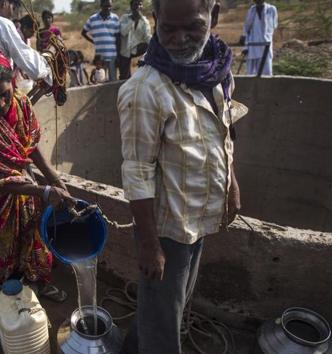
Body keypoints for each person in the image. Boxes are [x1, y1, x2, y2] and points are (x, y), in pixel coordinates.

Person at [117, 0, 241, 353]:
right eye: (168, 29)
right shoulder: (146, 90)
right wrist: (149, 245)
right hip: (166, 230)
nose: (180, 39)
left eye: (193, 28)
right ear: (155, 20)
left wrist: (231, 183)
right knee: (163, 320)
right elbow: (137, 172)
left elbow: (224, 130)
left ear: (213, 18)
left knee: (171, 304)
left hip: (198, 216)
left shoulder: (216, 70)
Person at [0, 49, 75, 354]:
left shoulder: (19, 102)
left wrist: (54, 179)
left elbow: (30, 146)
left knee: (28, 234)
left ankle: (37, 281)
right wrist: (43, 192)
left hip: (21, 187)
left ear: (12, 84)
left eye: (4, 95)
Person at [81, 0, 120, 81]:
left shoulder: (115, 18)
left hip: (112, 55)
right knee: (100, 80)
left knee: (113, 80)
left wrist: (118, 56)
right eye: (106, 6)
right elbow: (83, 32)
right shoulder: (92, 19)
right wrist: (93, 40)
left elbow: (118, 38)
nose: (108, 8)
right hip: (100, 56)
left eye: (110, 6)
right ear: (101, 6)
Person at [241, 0, 278, 76]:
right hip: (253, 46)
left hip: (266, 45)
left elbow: (274, 25)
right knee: (252, 74)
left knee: (267, 73)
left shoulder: (271, 9)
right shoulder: (251, 11)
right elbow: (246, 29)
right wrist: (245, 47)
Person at [118, 0, 152, 80]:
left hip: (135, 48)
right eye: (135, 4)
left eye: (140, 4)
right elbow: (123, 32)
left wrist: (156, 44)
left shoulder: (144, 21)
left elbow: (147, 37)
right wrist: (133, 20)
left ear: (142, 7)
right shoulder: (125, 18)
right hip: (124, 50)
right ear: (131, 7)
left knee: (149, 45)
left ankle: (143, 63)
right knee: (124, 77)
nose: (137, 6)